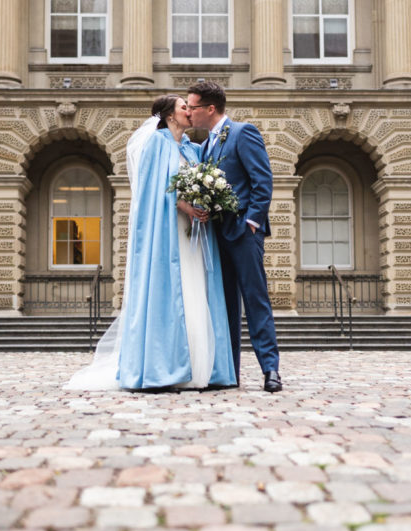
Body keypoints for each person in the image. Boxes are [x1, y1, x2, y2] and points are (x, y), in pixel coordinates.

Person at [64, 94, 236, 392]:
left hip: (195, 232)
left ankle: (199, 367)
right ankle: (166, 366)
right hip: (168, 230)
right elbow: (155, 189)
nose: (189, 112)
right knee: (174, 290)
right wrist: (185, 206)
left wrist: (206, 203)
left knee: (196, 290)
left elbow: (198, 182)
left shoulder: (192, 149)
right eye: (185, 108)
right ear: (170, 115)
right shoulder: (157, 144)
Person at [187, 80, 282, 393]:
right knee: (224, 305)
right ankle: (230, 373)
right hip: (215, 235)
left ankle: (271, 370)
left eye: (193, 107)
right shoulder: (204, 146)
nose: (189, 112)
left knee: (255, 301)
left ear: (210, 109)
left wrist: (252, 223)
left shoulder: (243, 133)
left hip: (243, 233)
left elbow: (262, 181)